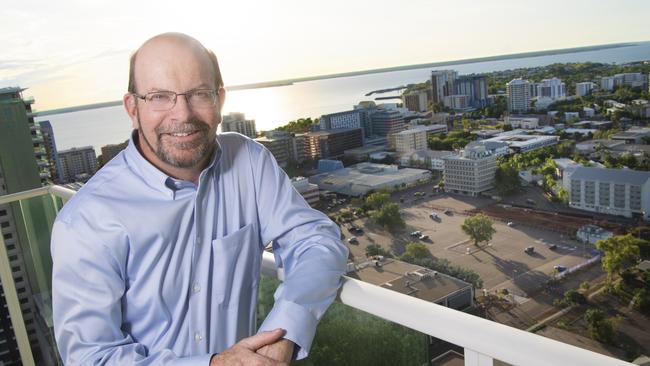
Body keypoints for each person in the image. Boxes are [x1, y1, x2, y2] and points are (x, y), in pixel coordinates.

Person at [51, 32, 348, 365]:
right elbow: (89, 357)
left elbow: (316, 241)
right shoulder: (86, 220)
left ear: (220, 100)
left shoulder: (249, 161)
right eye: (160, 96)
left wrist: (285, 332)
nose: (182, 114)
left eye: (199, 94)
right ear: (133, 108)